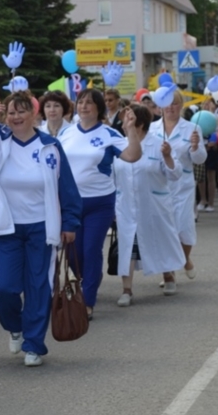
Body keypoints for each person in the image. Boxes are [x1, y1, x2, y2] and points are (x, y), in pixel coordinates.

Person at [0, 91, 81, 367]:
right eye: (11, 112)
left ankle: (34, 343)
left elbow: (66, 188)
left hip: (41, 227)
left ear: (34, 114)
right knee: (6, 287)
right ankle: (15, 326)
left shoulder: (50, 146)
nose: (16, 117)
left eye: (22, 111)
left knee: (37, 286)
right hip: (7, 226)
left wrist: (69, 223)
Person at [58, 88, 142, 320]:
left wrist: (130, 129)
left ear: (99, 108)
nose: (84, 106)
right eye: (80, 102)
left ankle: (88, 299)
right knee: (75, 253)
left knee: (91, 249)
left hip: (100, 203)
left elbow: (133, 156)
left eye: (89, 103)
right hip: (70, 204)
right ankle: (84, 282)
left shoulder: (108, 134)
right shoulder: (65, 134)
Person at [114, 104, 185, 304]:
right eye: (123, 119)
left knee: (159, 240)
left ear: (141, 123)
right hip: (126, 206)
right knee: (128, 246)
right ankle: (126, 290)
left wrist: (169, 157)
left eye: (129, 119)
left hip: (154, 204)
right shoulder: (119, 144)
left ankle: (168, 275)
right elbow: (113, 177)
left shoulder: (159, 144)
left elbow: (175, 173)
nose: (124, 123)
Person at [149, 91, 205, 280]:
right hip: (160, 186)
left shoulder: (191, 129)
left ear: (181, 106)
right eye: (167, 104)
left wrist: (196, 148)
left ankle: (184, 258)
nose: (171, 107)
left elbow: (199, 160)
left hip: (183, 187)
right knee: (164, 230)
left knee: (184, 228)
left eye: (175, 104)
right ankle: (168, 274)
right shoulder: (151, 129)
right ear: (160, 107)